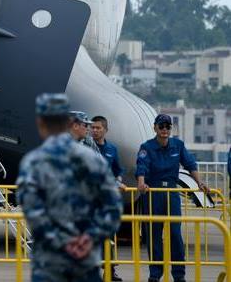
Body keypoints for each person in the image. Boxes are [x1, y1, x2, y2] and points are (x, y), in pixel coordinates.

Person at [17, 93, 122, 282]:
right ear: (71, 124)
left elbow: (30, 209)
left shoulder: (34, 162)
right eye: (85, 125)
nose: (89, 129)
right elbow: (113, 208)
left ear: (41, 123)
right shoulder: (93, 160)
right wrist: (88, 239)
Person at [136, 114, 210, 282]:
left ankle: (179, 274)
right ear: (155, 127)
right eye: (161, 126)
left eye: (168, 126)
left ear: (171, 129)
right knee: (154, 235)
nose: (164, 130)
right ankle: (155, 274)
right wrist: (141, 183)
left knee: (175, 234)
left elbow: (190, 164)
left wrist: (200, 182)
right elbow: (141, 166)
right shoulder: (146, 147)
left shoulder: (178, 145)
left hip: (171, 192)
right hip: (153, 193)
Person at [91, 115, 124, 282]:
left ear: (105, 130)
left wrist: (119, 181)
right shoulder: (86, 147)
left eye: (98, 128)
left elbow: (118, 170)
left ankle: (110, 271)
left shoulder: (112, 149)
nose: (95, 131)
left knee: (109, 237)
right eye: (93, 127)